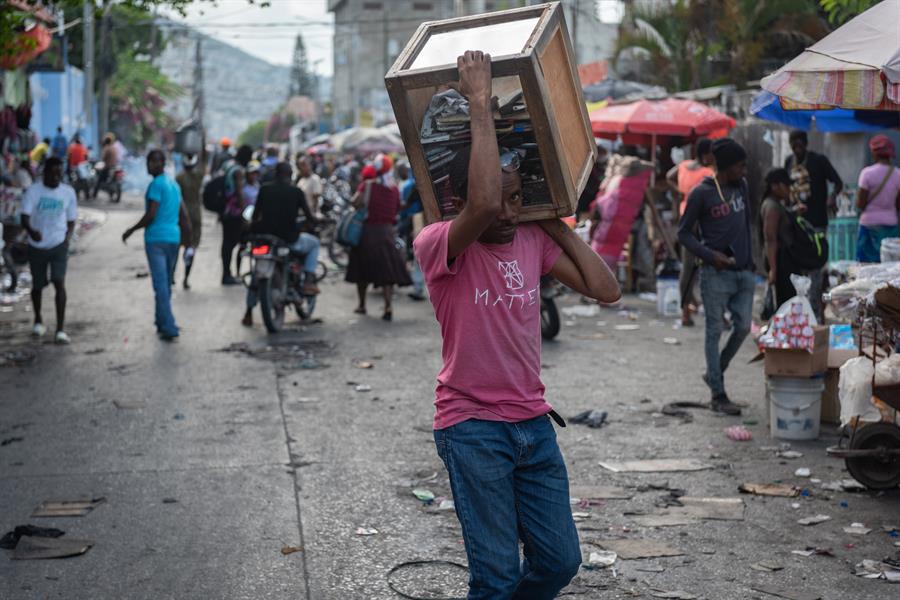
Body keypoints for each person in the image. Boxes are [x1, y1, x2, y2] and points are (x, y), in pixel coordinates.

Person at [414, 51, 620, 599]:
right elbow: (482, 204)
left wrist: (553, 221)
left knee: (559, 562)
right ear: (457, 201)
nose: (506, 213)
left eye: (515, 200)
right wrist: (479, 101)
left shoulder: (529, 239)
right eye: (499, 202)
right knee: (497, 576)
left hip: (533, 425)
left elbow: (607, 289)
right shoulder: (438, 244)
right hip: (472, 428)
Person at [678, 138, 753, 416]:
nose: (744, 171)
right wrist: (711, 256)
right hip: (715, 274)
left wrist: (751, 261)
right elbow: (683, 233)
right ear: (725, 166)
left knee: (744, 326)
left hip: (744, 272)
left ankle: (714, 372)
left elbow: (746, 224)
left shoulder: (742, 187)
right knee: (714, 331)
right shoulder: (702, 193)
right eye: (740, 166)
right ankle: (718, 394)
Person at [122, 150, 192, 341]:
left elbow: (151, 214)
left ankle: (169, 326)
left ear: (161, 164)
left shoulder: (156, 185)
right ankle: (161, 321)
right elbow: (184, 217)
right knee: (166, 283)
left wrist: (131, 229)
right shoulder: (174, 185)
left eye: (153, 162)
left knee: (161, 284)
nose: (149, 165)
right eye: (149, 161)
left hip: (156, 240)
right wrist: (189, 243)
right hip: (173, 239)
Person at [243, 162, 321, 326]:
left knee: (257, 273)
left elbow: (256, 214)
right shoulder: (296, 191)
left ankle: (248, 313)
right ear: (290, 174)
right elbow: (309, 216)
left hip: (264, 238)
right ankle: (308, 281)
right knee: (314, 243)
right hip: (288, 239)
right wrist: (318, 221)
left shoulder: (264, 189)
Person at [345, 154, 411, 321]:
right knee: (386, 273)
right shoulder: (394, 188)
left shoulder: (367, 186)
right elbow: (397, 209)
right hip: (386, 234)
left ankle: (361, 305)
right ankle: (388, 306)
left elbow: (354, 203)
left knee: (362, 272)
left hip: (366, 233)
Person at [784, 130, 842, 318]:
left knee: (816, 266)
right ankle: (800, 312)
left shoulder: (819, 160)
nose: (797, 147)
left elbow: (837, 182)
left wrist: (832, 198)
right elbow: (785, 188)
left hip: (816, 224)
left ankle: (816, 313)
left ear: (806, 143)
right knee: (798, 267)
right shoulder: (789, 162)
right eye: (794, 144)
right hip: (796, 225)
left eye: (800, 143)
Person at [20, 157, 77, 344]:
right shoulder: (33, 192)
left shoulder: (68, 193)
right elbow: (24, 217)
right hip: (37, 247)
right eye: (52, 173)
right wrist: (31, 231)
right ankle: (38, 319)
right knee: (37, 286)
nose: (55, 177)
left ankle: (60, 329)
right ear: (45, 173)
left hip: (59, 245)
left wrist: (67, 240)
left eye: (59, 173)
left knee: (59, 282)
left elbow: (71, 221)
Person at [668, 138, 715, 326]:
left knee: (687, 268)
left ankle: (685, 311)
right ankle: (713, 312)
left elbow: (668, 176)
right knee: (706, 267)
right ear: (706, 155)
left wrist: (679, 191)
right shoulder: (708, 173)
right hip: (701, 223)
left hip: (684, 220)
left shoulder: (684, 166)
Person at [760, 168, 805, 306]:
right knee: (786, 304)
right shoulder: (772, 206)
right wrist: (773, 270)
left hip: (785, 260)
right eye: (786, 186)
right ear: (775, 186)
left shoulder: (777, 205)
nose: (789, 189)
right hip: (781, 262)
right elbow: (770, 239)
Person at [855, 135, 900, 263]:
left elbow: (860, 203)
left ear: (874, 153)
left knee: (864, 267)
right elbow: (898, 205)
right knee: (888, 268)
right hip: (890, 226)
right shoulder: (898, 174)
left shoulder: (867, 173)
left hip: (868, 225)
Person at [220, 144, 253, 284]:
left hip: (226, 211)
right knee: (232, 243)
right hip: (235, 213)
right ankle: (228, 275)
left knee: (227, 244)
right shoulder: (239, 171)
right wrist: (245, 213)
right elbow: (239, 194)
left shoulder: (229, 165)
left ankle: (227, 273)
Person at [176, 153, 205, 289]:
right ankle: (186, 278)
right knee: (191, 247)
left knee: (177, 245)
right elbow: (203, 161)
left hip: (182, 213)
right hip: (195, 214)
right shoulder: (198, 176)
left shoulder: (179, 178)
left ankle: (171, 276)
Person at [93, 134, 119, 199]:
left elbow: (103, 158)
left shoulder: (106, 148)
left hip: (108, 167)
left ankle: (94, 195)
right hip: (114, 167)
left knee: (99, 180)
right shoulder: (114, 148)